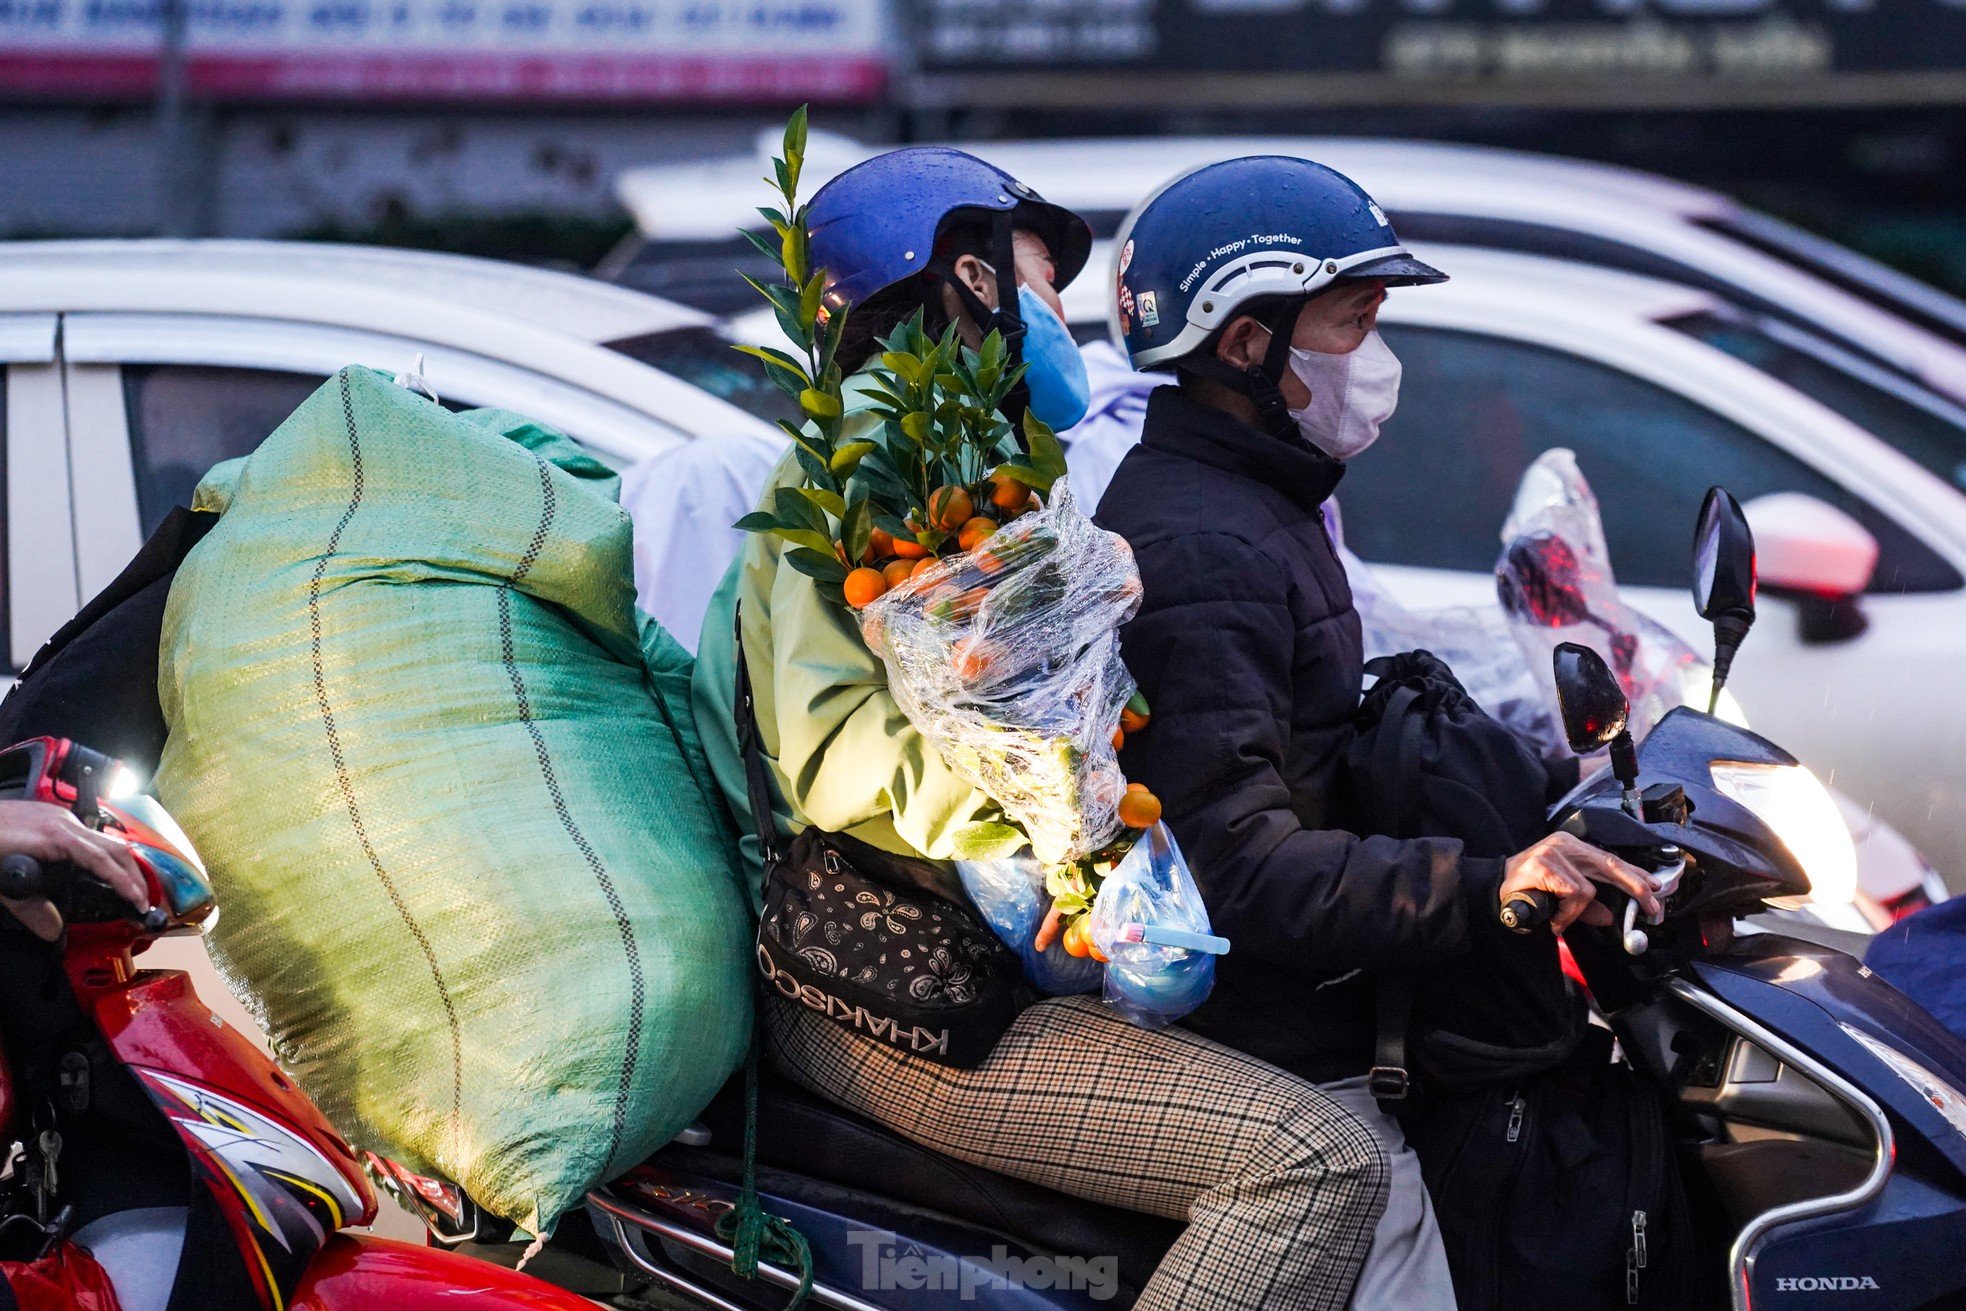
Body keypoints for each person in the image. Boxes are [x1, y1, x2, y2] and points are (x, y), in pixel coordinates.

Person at [692, 147, 1399, 1311]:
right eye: (1043, 283)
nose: (1063, 318)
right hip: (885, 979)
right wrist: (1050, 810)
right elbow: (831, 761)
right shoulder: (880, 447)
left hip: (966, 954)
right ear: (970, 278)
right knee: (1308, 1165)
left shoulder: (979, 448)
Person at [1093, 156, 1663, 1306]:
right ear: (1245, 344)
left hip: (1334, 995)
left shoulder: (1257, 502)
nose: (1379, 358)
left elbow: (1310, 744)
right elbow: (1237, 864)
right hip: (1275, 1028)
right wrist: (1488, 882)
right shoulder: (1211, 548)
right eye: (1354, 322)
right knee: (1403, 1240)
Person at [621, 327, 1156, 653]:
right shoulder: (879, 436)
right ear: (972, 276)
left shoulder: (968, 449)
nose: (1054, 304)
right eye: (1042, 271)